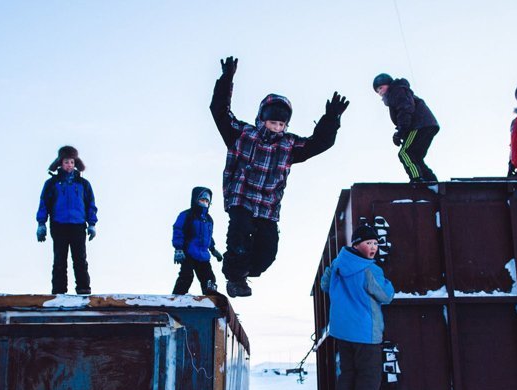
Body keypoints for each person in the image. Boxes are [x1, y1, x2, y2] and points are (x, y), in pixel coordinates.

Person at [211, 56, 349, 297]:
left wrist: (331, 118)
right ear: (262, 119)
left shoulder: (289, 145)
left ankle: (246, 269)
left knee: (267, 252)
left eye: (281, 125)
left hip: (268, 207)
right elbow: (219, 111)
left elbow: (319, 143)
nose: (276, 128)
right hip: (242, 199)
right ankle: (235, 277)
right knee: (239, 235)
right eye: (272, 122)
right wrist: (227, 79)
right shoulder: (242, 134)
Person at [320, 225, 395, 390]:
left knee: (347, 375)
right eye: (368, 243)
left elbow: (325, 285)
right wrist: (387, 281)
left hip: (342, 332)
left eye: (375, 244)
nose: (373, 248)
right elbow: (386, 296)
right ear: (356, 244)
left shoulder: (337, 264)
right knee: (369, 377)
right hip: (365, 331)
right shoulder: (370, 269)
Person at [36, 145, 98, 295]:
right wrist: (41, 224)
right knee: (59, 260)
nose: (69, 165)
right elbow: (44, 203)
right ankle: (59, 292)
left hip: (78, 225)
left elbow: (91, 204)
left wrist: (92, 224)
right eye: (66, 162)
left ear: (75, 163)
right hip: (59, 225)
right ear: (60, 163)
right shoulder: (52, 184)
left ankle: (83, 290)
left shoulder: (83, 184)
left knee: (80, 259)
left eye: (71, 162)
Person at [373, 73, 439, 183]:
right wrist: (401, 131)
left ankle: (417, 179)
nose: (380, 92)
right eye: (377, 91)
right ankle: (431, 182)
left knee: (405, 153)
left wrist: (401, 131)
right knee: (415, 156)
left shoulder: (396, 91)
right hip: (427, 125)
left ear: (388, 84)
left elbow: (405, 109)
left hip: (419, 125)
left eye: (380, 88)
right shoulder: (397, 92)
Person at [172, 186, 223, 295]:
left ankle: (211, 295)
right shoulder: (187, 215)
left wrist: (213, 249)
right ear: (195, 200)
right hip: (188, 251)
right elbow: (178, 230)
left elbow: (208, 236)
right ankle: (177, 296)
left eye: (207, 201)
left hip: (203, 255)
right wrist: (178, 249)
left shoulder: (209, 220)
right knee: (187, 275)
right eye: (202, 200)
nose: (204, 203)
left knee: (208, 277)